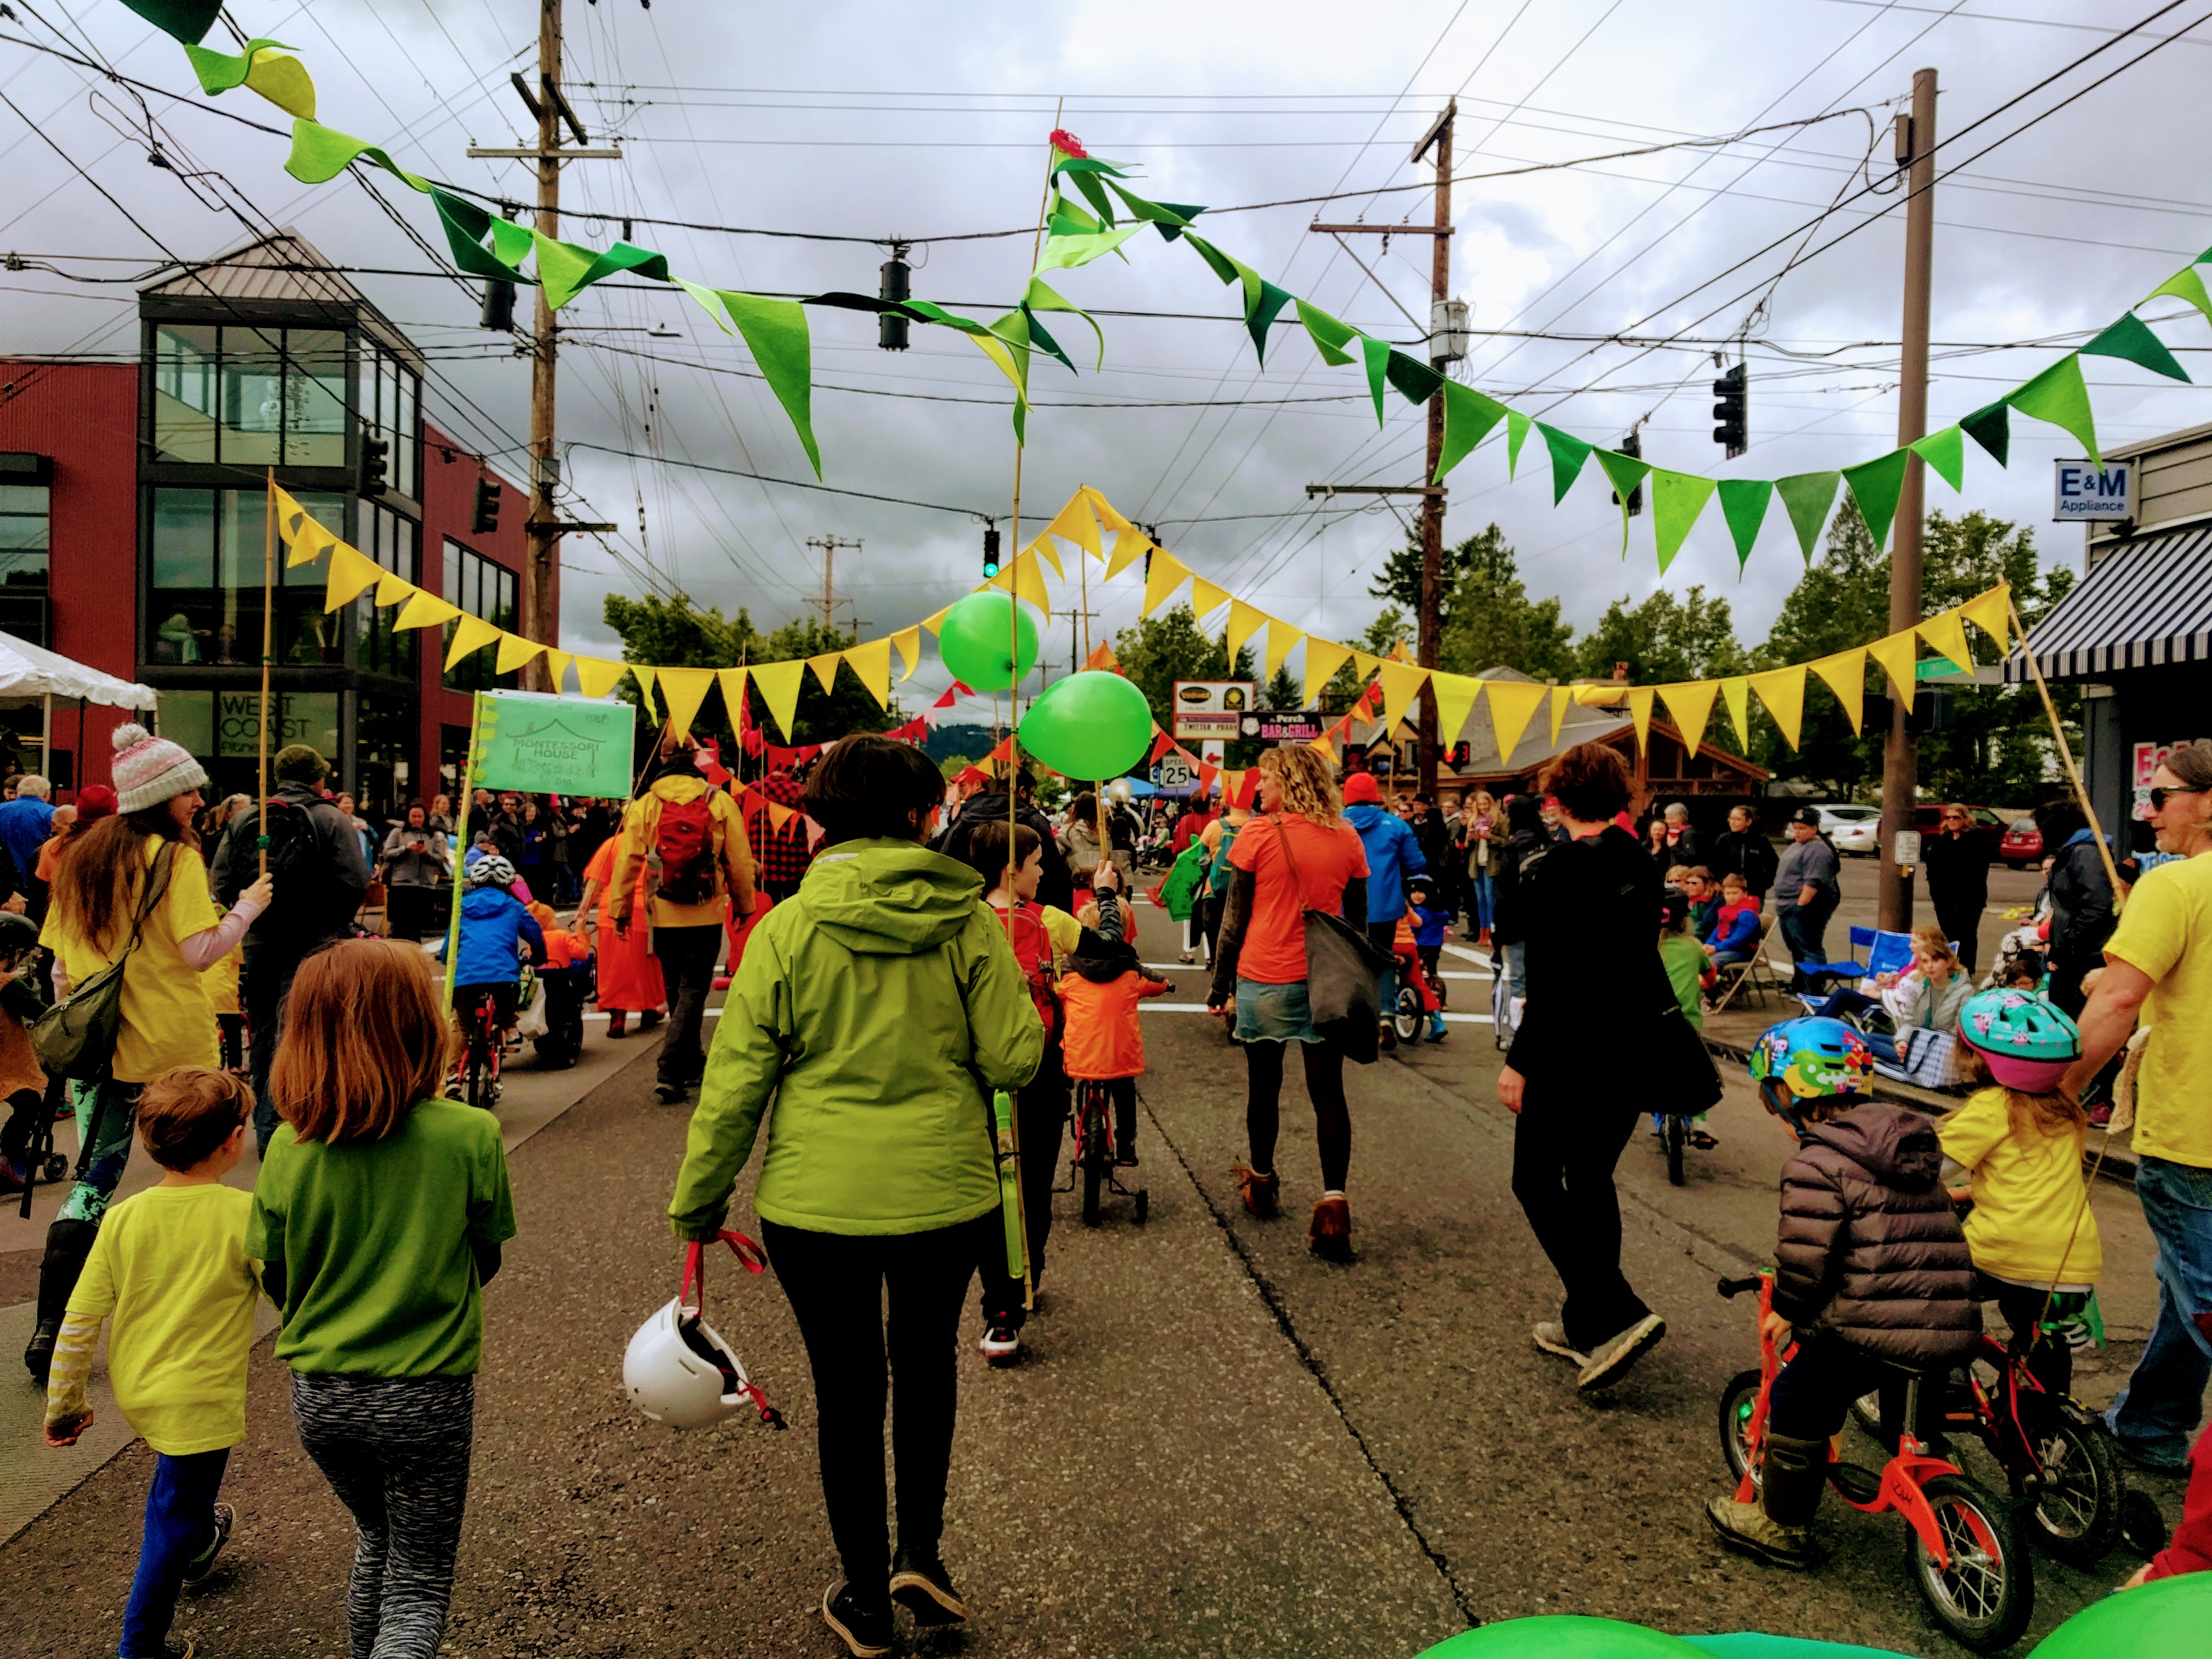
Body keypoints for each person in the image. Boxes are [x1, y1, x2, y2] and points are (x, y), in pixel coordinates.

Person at [666, 735, 1042, 1653]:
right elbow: (1015, 1057)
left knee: (846, 1388)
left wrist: (700, 1200)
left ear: (821, 819)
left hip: (814, 1201)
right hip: (943, 1195)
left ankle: (866, 1596)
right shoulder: (970, 922)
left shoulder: (787, 928)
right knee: (924, 1366)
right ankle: (923, 1550)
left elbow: (738, 1083)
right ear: (923, 818)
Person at [250, 940, 515, 1659]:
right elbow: (484, 1256)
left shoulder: (288, 1150)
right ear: (419, 1026)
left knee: (378, 1535)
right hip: (425, 1392)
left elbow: (277, 1274)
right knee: (420, 1580)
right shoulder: (471, 1134)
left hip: (321, 1397)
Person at [25, 723, 270, 1385]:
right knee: (193, 1183)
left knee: (92, 1183)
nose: (198, 798)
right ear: (162, 794)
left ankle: (53, 1326)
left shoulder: (79, 858)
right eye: (189, 789)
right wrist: (247, 908)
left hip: (99, 1053)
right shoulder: (174, 861)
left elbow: (59, 971)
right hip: (174, 1051)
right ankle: (183, 1316)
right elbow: (200, 952)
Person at [1705, 1015, 1979, 1568]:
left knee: (1797, 1397)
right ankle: (1932, 1457)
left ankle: (1780, 1526)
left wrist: (1786, 1307)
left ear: (1790, 1097)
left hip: (1876, 1328)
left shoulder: (1816, 1163)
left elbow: (1807, 1261)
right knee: (1905, 1380)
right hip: (1949, 1318)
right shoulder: (1909, 1149)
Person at [42, 1068, 261, 1658]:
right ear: (232, 1142)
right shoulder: (244, 1215)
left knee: (180, 1491)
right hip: (201, 1401)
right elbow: (294, 1295)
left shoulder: (124, 1217)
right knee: (170, 1516)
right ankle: (141, 1646)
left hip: (140, 1392)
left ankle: (197, 1540)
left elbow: (80, 1318)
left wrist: (66, 1405)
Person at [1502, 741, 1671, 1391]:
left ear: (1558, 797)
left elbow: (1552, 977)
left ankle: (1615, 1311)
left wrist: (1520, 1061)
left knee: (1536, 1180)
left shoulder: (1558, 869)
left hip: (1571, 1049)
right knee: (1592, 1175)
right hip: (1632, 1044)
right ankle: (1584, 1321)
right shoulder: (1639, 858)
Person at [2062, 742, 2212, 1472]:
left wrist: (2053, 1095)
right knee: (2184, 1287)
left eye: (2159, 797)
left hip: (2196, 1138)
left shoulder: (2177, 885)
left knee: (2204, 1295)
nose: (2145, 812)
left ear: (2209, 803)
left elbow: (2119, 1002)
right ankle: (2151, 1423)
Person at [1205, 747, 1369, 1261]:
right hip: (1326, 980)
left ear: (1291, 783)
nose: (1259, 789)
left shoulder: (1256, 834)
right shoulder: (1347, 837)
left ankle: (1261, 1183)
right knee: (1328, 1093)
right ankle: (1334, 1206)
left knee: (1264, 1086)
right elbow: (1356, 925)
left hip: (1266, 975)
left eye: (1269, 779)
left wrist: (1219, 985)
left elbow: (1234, 919)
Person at [1937, 989, 2101, 1404]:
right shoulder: (2065, 1110)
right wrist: (1975, 1189)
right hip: (2072, 1261)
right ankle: (2048, 1427)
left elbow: (1926, 1167)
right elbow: (2028, 1178)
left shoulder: (1995, 1106)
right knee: (2041, 1336)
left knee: (1929, 1299)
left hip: (2005, 1251)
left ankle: (1925, 1414)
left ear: (1976, 1056)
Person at [210, 743, 368, 1155]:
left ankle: (268, 1128)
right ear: (317, 778)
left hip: (260, 940)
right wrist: (332, 925)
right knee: (313, 1031)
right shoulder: (332, 818)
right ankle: (307, 1124)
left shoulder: (247, 817)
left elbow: (222, 880)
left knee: (263, 1030)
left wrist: (250, 916)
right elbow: (354, 880)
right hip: (316, 944)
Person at [958, 820, 1077, 1365]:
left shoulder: (965, 920)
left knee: (998, 1186)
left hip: (984, 1073)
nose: (1044, 871)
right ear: (1013, 869)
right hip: (1035, 1067)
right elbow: (1105, 947)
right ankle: (1012, 1294)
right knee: (1027, 1185)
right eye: (1036, 863)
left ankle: (1009, 1296)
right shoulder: (1045, 920)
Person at [609, 730, 759, 1106]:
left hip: (662, 911)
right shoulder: (719, 801)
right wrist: (744, 906)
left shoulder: (645, 804)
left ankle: (689, 1062)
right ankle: (674, 1067)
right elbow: (739, 861)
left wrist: (621, 911)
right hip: (706, 910)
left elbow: (627, 862)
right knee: (694, 988)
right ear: (696, 760)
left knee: (677, 988)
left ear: (662, 759)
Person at [1061, 862, 1172, 1180]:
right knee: (1124, 1094)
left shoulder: (1070, 975)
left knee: (1069, 1076)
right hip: (1120, 1056)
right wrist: (1165, 985)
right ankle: (1126, 1147)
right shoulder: (1130, 974)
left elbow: (1055, 992)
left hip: (1079, 1056)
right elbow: (1155, 985)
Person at [440, 854, 545, 1095]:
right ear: (508, 884)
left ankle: (453, 1074)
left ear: (474, 882)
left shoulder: (462, 906)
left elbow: (449, 945)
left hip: (465, 977)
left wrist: (446, 958)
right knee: (507, 1001)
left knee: (462, 1025)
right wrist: (539, 957)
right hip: (503, 975)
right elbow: (535, 935)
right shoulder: (513, 906)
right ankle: (510, 1028)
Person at [1342, 770, 1424, 1054]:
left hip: (1343, 908)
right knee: (1384, 958)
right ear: (1376, 796)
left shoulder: (1333, 825)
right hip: (1386, 908)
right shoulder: (1396, 826)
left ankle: (1352, 1018)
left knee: (1348, 962)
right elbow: (1416, 865)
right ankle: (1386, 1016)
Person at [1812, 923, 1972, 1065]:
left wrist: (1881, 993)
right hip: (1913, 1037)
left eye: (1915, 942)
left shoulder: (1961, 992)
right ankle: (1814, 1031)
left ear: (1948, 962)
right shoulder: (1920, 979)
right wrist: (1902, 1041)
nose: (1929, 966)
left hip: (1931, 1045)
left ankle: (1815, 1033)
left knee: (1844, 997)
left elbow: (1959, 1031)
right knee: (1867, 1039)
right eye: (1925, 962)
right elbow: (1910, 1021)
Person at [938, 764, 1074, 916]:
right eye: (1033, 794)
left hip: (970, 916)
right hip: (1029, 919)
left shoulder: (965, 820)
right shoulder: (1034, 821)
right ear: (1022, 792)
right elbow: (1058, 876)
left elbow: (944, 862)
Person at [578, 830, 664, 1041]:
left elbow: (596, 882)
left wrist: (583, 911)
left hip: (612, 911)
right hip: (646, 911)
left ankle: (618, 1016)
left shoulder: (612, 843)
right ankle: (649, 1008)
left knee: (614, 968)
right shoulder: (654, 843)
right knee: (647, 965)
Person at [1652, 885, 1718, 1150]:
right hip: (1687, 1020)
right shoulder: (1693, 946)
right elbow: (1710, 976)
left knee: (1652, 1067)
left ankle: (1659, 1120)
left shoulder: (1645, 946)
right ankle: (1700, 1121)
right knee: (1697, 1069)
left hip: (1650, 1020)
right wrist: (1705, 983)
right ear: (1685, 920)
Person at [2042, 802, 2118, 1018]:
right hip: (2073, 951)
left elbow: (2097, 903)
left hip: (2087, 953)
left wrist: (2068, 940)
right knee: (2060, 1010)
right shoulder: (2072, 852)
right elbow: (2065, 906)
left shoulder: (2085, 853)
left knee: (2075, 1017)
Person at [0, 910, 49, 1193]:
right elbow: (42, 1013)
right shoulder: (8, 985)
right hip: (6, 1066)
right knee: (29, 1103)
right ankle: (9, 1154)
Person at [1489, 794, 1548, 1010]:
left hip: (1518, 923)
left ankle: (1516, 1033)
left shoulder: (1513, 848)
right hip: (1547, 922)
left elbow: (1504, 893)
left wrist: (1498, 931)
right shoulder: (1550, 844)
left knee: (1518, 979)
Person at [1922, 803, 1993, 974]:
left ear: (1965, 819)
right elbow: (1932, 868)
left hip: (1968, 900)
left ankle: (1967, 970)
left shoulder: (1976, 839)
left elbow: (1979, 871)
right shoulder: (1942, 841)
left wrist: (1971, 896)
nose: (1952, 821)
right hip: (1944, 899)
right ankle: (1951, 968)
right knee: (1948, 936)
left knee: (1966, 936)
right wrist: (1936, 894)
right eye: (1949, 817)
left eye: (1956, 817)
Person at [1773, 806, 1842, 983]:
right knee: (1796, 949)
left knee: (1810, 949)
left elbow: (1813, 882)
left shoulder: (1818, 849)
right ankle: (1800, 985)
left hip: (1806, 907)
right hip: (1786, 906)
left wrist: (1800, 906)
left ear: (1814, 828)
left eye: (1802, 828)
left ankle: (1815, 989)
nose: (1797, 832)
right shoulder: (1797, 846)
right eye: (1795, 827)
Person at [525, 900, 591, 1069]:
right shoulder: (561, 935)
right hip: (559, 979)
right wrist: (581, 933)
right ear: (547, 921)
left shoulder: (533, 942)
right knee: (569, 1007)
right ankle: (568, 1044)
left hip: (540, 981)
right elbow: (582, 954)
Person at [380, 803, 452, 943]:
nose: (417, 819)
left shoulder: (434, 835)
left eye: (420, 816)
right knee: (400, 927)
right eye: (414, 816)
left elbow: (439, 859)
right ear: (408, 817)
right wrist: (404, 849)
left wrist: (425, 853)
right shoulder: (398, 833)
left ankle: (415, 955)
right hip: (401, 885)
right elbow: (387, 854)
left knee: (417, 927)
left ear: (425, 818)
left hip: (424, 885)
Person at [748, 765, 817, 904]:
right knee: (794, 912)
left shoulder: (752, 789)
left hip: (762, 865)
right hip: (793, 866)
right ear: (791, 770)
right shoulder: (800, 792)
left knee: (765, 911)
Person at [1711, 802, 1779, 901]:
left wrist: (1764, 884)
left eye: (1738, 819)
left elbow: (1773, 865)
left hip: (1754, 893)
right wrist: (1719, 882)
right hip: (1728, 893)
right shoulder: (1723, 840)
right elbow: (1714, 865)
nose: (1733, 823)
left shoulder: (1760, 841)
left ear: (1748, 822)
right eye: (1731, 819)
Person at [0, 771, 57, 888]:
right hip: (40, 881)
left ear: (19, 792)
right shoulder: (53, 814)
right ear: (47, 794)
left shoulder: (1, 810)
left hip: (5, 882)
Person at [1460, 788, 1499, 949]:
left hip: (1491, 864)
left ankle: (1492, 933)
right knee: (1480, 900)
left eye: (1485, 803)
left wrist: (1492, 837)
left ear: (1490, 803)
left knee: (1491, 900)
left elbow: (1504, 840)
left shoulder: (1498, 820)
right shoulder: (1474, 820)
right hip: (1477, 864)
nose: (1482, 806)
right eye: (1480, 804)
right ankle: (1482, 934)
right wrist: (1470, 838)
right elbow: (1468, 844)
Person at [1702, 870, 1763, 971]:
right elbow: (1717, 931)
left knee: (1712, 961)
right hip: (1727, 947)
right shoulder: (1726, 910)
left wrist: (1716, 948)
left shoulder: (1747, 914)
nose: (1731, 897)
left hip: (1743, 951)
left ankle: (1710, 985)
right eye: (1728, 893)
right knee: (1698, 956)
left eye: (1735, 893)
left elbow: (1738, 940)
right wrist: (1708, 945)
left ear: (1744, 893)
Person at [1656, 802, 1705, 869]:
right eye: (1667, 818)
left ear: (1681, 818)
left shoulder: (1689, 834)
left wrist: (1673, 847)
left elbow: (1690, 860)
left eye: (1671, 818)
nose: (1667, 821)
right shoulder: (1679, 833)